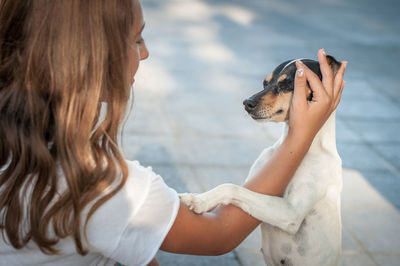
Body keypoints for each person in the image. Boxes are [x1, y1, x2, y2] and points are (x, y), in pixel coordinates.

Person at [0, 0, 346, 265]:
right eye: (138, 39)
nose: (146, 52)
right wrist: (301, 136)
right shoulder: (105, 187)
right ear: (89, 59)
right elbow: (219, 235)